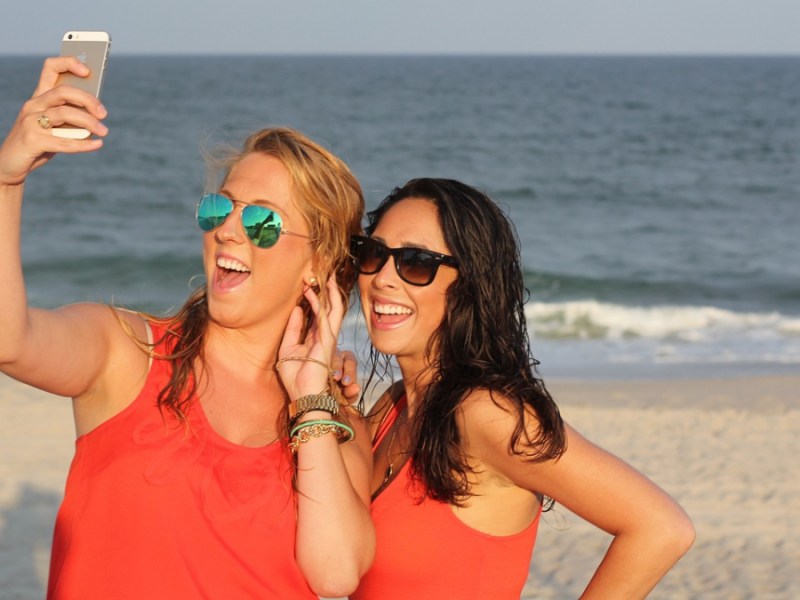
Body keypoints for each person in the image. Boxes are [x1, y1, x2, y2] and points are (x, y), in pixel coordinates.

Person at [0, 56, 375, 599]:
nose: (227, 229)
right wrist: (8, 180)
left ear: (317, 265)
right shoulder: (126, 352)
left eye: (261, 221)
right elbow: (10, 341)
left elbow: (336, 572)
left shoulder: (335, 423)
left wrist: (310, 397)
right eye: (219, 208)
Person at [349, 178, 695, 599]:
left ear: (468, 285)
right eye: (373, 253)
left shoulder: (485, 414)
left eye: (416, 262)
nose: (383, 277)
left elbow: (660, 527)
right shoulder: (392, 407)